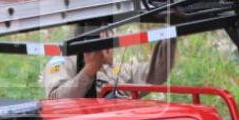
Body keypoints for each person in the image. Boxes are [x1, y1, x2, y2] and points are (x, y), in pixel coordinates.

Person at [42, 29, 177, 100]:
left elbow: (154, 75)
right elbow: (57, 100)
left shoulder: (114, 69)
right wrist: (89, 70)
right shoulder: (64, 62)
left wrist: (169, 36)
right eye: (106, 35)